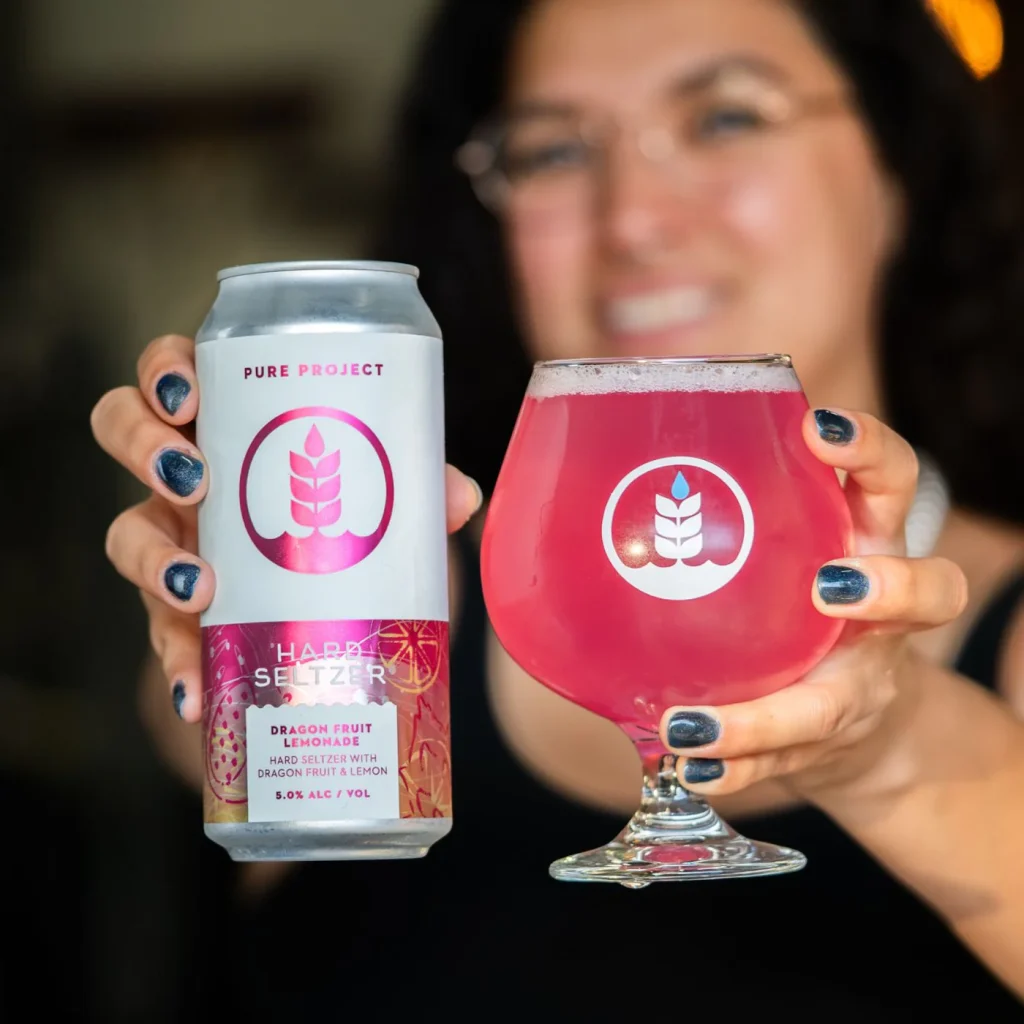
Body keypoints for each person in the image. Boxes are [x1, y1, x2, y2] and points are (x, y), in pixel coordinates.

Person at [90, 0, 1024, 1015]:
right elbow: (211, 741)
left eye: (725, 119)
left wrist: (889, 751)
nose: (632, 219)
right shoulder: (407, 616)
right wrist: (247, 571)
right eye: (550, 151)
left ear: (900, 167)